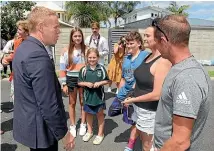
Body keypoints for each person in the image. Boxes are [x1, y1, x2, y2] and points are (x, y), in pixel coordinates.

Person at [12, 6, 74, 151]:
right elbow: (48, 103)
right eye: (56, 27)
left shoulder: (24, 47)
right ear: (41, 28)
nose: (59, 31)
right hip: (42, 131)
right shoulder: (37, 55)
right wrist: (63, 134)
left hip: (31, 126)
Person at [152, 15, 212, 151]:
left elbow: (180, 142)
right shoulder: (180, 68)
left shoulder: (186, 78)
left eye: (156, 41)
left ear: (163, 41)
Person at [122, 24, 171, 151]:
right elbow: (139, 80)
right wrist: (132, 94)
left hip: (149, 112)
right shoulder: (148, 56)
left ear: (158, 38)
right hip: (140, 108)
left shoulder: (163, 61)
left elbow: (157, 94)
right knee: (144, 141)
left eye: (147, 36)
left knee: (148, 145)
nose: (144, 38)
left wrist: (133, 100)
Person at [108, 31, 149, 151]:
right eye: (127, 43)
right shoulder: (127, 58)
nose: (128, 46)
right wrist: (120, 92)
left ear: (139, 43)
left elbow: (145, 76)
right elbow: (124, 77)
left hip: (136, 94)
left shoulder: (145, 55)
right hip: (124, 92)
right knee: (112, 112)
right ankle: (130, 115)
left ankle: (130, 145)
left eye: (131, 43)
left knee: (134, 121)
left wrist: (131, 96)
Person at [59, 27, 87, 138]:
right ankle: (73, 125)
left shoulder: (87, 49)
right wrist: (64, 84)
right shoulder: (65, 51)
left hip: (84, 79)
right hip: (71, 79)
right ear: (71, 37)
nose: (77, 38)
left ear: (82, 37)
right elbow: (62, 68)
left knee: (83, 102)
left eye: (79, 36)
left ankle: (83, 124)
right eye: (75, 36)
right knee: (72, 102)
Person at [78, 48, 109, 145]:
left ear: (98, 57)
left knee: (100, 115)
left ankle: (100, 134)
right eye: (90, 57)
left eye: (94, 57)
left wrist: (100, 83)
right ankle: (89, 131)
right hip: (88, 97)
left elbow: (107, 81)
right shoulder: (83, 69)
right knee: (89, 114)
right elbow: (79, 82)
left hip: (99, 97)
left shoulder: (101, 68)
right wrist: (86, 83)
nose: (92, 59)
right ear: (87, 58)